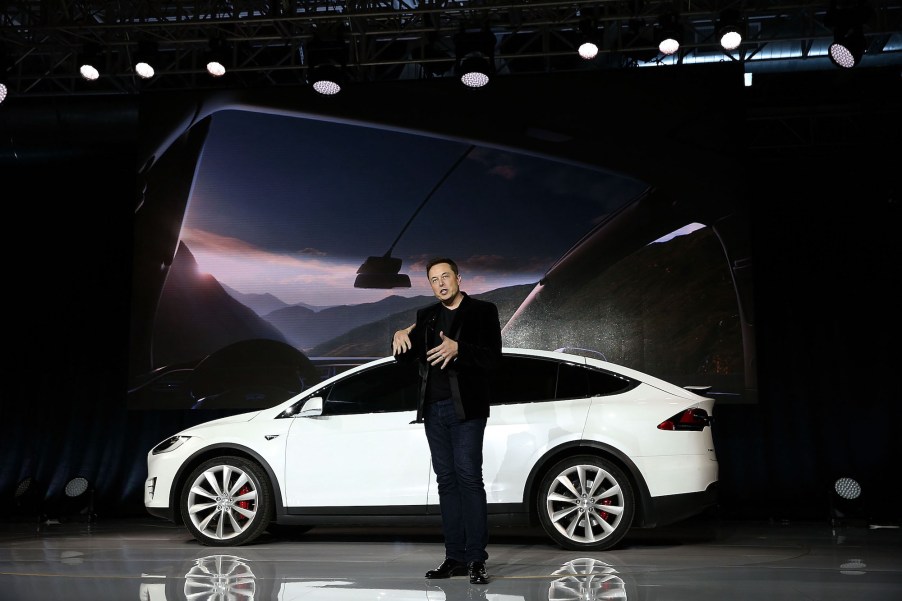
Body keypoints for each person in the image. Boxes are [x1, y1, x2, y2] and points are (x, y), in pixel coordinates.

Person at [391, 257, 502, 586]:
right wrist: (398, 336)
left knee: (469, 479)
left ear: (458, 278)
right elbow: (408, 357)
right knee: (446, 483)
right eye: (434, 279)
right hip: (433, 410)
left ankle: (476, 559)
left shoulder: (483, 311)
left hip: (466, 410)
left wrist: (460, 349)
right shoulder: (426, 316)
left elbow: (493, 359)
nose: (440, 283)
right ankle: (454, 557)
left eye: (445, 276)